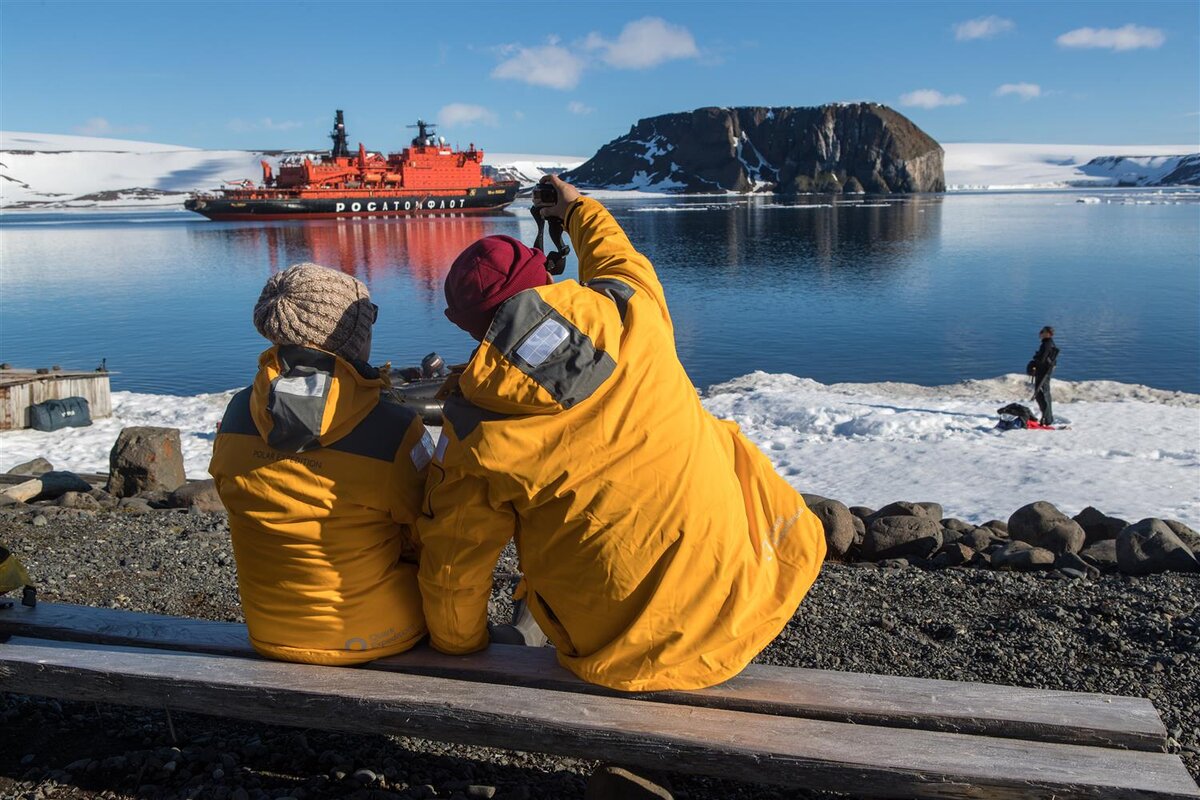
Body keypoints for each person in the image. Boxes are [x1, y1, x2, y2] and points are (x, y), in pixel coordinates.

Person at [417, 175, 826, 692]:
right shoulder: (634, 312)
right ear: (544, 274)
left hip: (623, 658)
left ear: (467, 326)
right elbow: (615, 255)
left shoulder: (474, 430)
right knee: (719, 437)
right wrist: (577, 209)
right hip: (759, 588)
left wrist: (458, 645)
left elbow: (456, 556)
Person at [210, 263, 431, 665]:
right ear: (353, 337)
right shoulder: (394, 428)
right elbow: (428, 530)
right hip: (377, 634)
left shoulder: (239, 411)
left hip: (269, 631)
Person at [1026, 325, 1059, 426]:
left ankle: (1047, 419)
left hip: (1043, 373)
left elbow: (1042, 360)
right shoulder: (1048, 343)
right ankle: (1047, 417)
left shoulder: (1047, 344)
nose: (1040, 333)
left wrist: (1034, 364)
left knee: (1042, 395)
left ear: (1048, 334)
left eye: (1042, 331)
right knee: (1043, 394)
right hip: (1044, 373)